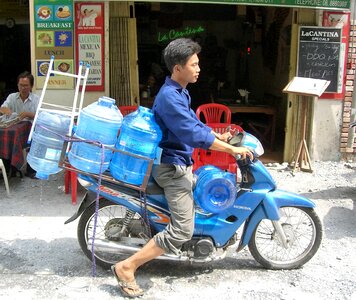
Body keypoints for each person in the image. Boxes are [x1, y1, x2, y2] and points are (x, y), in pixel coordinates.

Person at [111, 38, 253, 298]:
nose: (199, 69)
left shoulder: (179, 91)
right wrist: (232, 150)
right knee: (181, 230)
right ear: (178, 67)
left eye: (198, 64)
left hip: (180, 162)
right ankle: (127, 266)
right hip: (171, 168)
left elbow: (192, 123)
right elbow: (190, 133)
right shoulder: (170, 97)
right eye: (194, 64)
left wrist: (216, 134)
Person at [0, 71, 40, 178]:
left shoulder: (36, 99)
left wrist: (27, 114)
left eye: (26, 85)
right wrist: (6, 110)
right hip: (14, 128)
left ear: (31, 86)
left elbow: (39, 116)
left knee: (35, 139)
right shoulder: (12, 97)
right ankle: (10, 169)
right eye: (21, 85)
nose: (23, 88)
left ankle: (30, 170)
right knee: (6, 139)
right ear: (17, 85)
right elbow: (3, 107)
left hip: (30, 129)